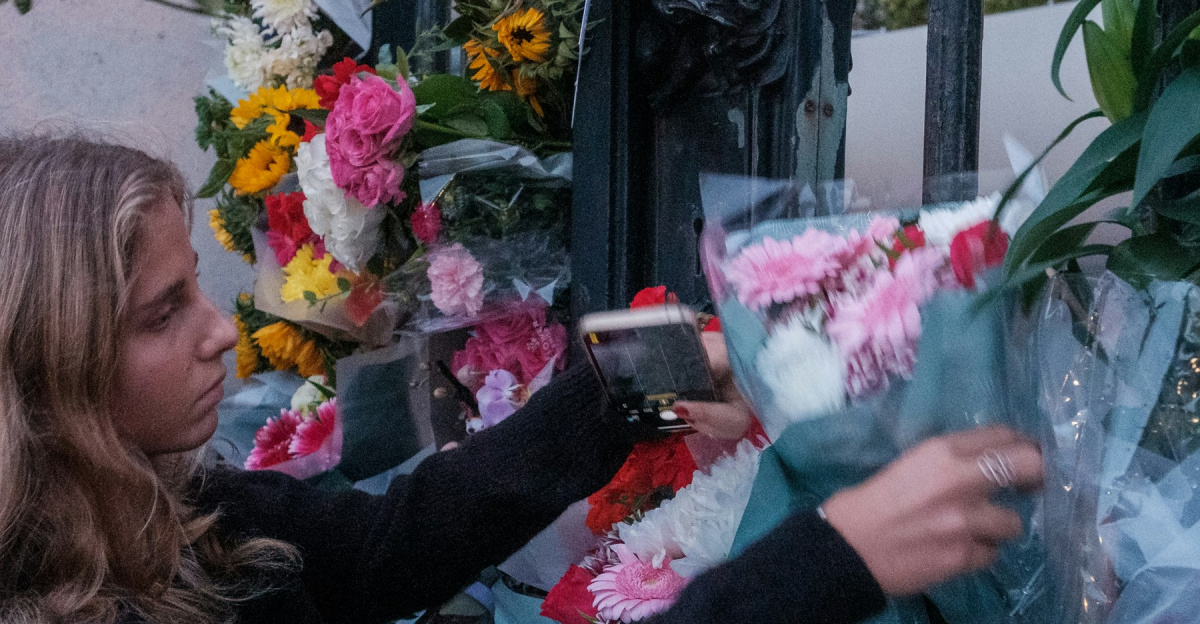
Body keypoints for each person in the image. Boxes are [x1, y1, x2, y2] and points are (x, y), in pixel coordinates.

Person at [0, 135, 1042, 624]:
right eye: (162, 312)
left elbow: (382, 550)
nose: (221, 332)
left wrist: (637, 376)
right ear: (48, 369)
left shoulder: (171, 508)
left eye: (197, 288)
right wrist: (835, 559)